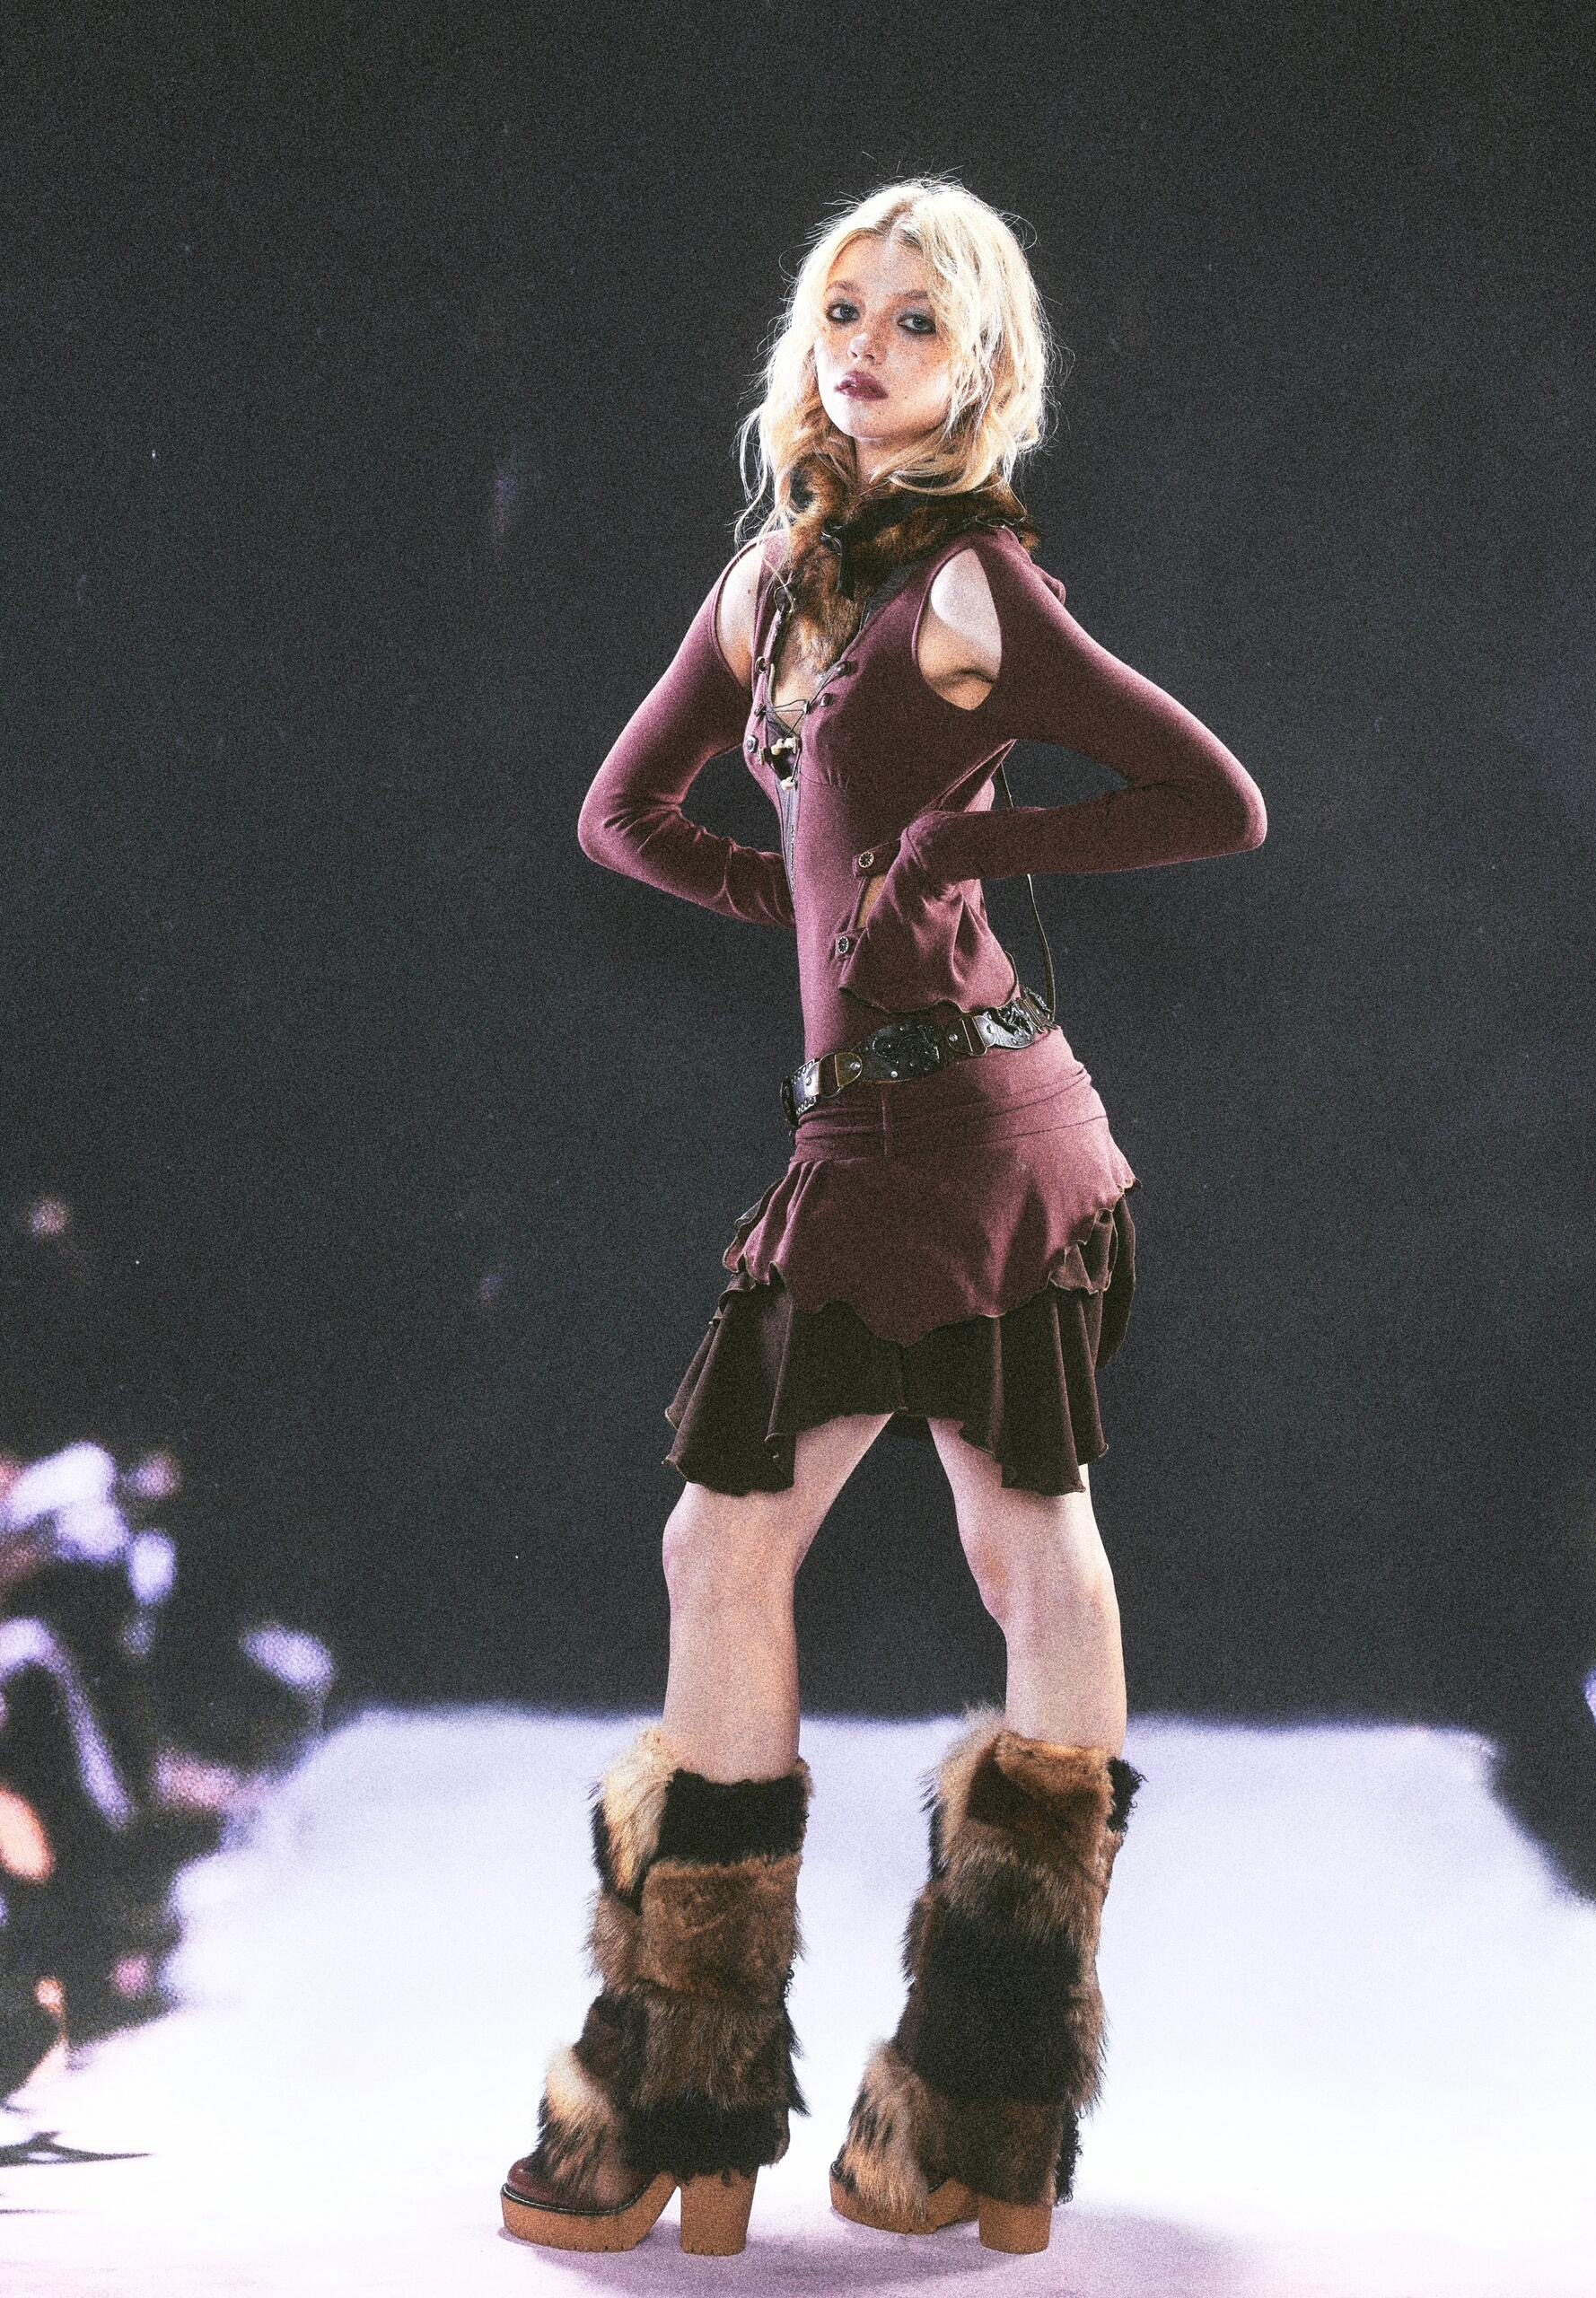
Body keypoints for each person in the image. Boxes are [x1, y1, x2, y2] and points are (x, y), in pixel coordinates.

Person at [499, 175, 1267, 2259]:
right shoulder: (773, 583)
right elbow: (621, 815)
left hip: (988, 1135)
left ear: (982, 364)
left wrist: (974, 842)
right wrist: (807, 898)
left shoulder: (975, 587)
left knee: (1019, 1546)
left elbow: (1215, 800)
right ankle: (697, 2083)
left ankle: (977, 2094)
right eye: (846, 309)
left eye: (918, 321)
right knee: (743, 1542)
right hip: (871, 1133)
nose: (867, 348)